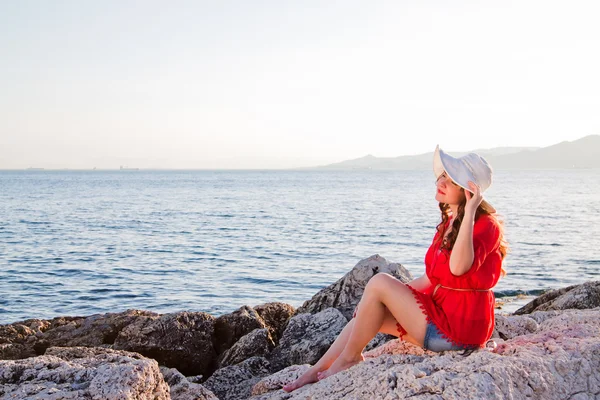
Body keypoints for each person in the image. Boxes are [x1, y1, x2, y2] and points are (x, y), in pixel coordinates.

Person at [283, 145, 508, 392]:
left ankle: (347, 360)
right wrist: (377, 300)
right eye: (442, 175)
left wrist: (472, 210)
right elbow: (432, 279)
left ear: (467, 191)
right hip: (441, 317)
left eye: (450, 179)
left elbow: (457, 269)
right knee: (366, 314)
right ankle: (316, 370)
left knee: (380, 281)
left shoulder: (486, 225)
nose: (440, 181)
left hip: (459, 331)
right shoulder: (450, 222)